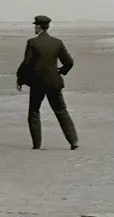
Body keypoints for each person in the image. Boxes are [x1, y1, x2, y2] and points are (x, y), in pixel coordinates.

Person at [16, 15, 79, 150]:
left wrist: (20, 79)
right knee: (61, 111)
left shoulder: (32, 42)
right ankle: (74, 142)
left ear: (39, 26)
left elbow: (26, 63)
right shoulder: (57, 42)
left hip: (37, 83)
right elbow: (69, 62)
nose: (34, 27)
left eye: (35, 25)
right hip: (54, 82)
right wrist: (61, 71)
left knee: (34, 112)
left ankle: (37, 145)